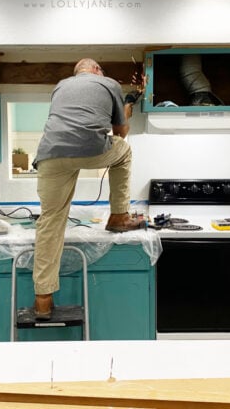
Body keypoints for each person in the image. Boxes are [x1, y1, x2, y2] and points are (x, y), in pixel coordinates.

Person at [31, 58, 144, 320]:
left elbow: (70, 124)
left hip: (49, 154)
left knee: (50, 221)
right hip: (91, 150)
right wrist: (126, 107)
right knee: (124, 151)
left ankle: (43, 300)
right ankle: (118, 216)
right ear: (96, 70)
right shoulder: (108, 83)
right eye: (101, 70)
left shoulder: (60, 86)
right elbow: (120, 133)